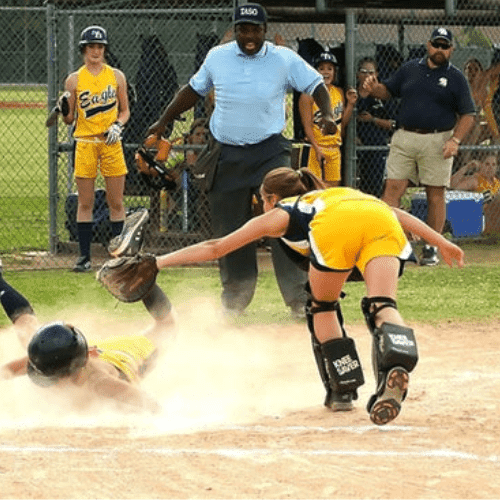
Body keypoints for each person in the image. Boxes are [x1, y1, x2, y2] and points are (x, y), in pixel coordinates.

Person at [131, 167, 463, 425]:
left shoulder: (286, 211)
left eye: (263, 198)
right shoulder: (337, 194)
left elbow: (216, 247)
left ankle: (343, 389)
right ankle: (396, 361)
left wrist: (156, 262)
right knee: (382, 305)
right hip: (379, 221)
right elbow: (396, 213)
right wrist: (441, 242)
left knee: (322, 306)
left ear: (272, 197)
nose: (262, 205)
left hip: (336, 229)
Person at [146, 3, 337, 318]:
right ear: (234, 30)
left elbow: (316, 85)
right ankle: (235, 298)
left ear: (265, 30)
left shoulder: (282, 57)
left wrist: (328, 114)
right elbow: (192, 91)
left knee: (285, 220)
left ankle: (299, 299)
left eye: (255, 30)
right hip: (228, 151)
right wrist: (164, 120)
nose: (248, 36)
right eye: (242, 29)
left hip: (270, 151)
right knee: (231, 226)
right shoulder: (217, 56)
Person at [0, 244, 177, 413]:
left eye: (52, 378)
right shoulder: (48, 357)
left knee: (167, 327)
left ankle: (145, 283)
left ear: (71, 372)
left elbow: (153, 406)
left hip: (126, 355)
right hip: (84, 352)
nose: (46, 381)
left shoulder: (102, 383)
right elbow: (6, 371)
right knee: (27, 331)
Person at [363, 27, 476, 266]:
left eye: (445, 46)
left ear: (452, 49)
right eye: (436, 44)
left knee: (435, 194)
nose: (440, 50)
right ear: (428, 45)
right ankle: (385, 242)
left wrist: (455, 141)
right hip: (405, 136)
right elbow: (388, 91)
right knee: (392, 188)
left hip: (438, 140)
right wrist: (374, 89)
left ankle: (431, 247)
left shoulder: (456, 77)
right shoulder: (410, 69)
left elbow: (468, 114)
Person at [61, 25, 131, 272]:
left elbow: (125, 111)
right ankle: (84, 256)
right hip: (86, 143)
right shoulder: (75, 79)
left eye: (100, 46)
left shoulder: (116, 76)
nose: (96, 51)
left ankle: (118, 255)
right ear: (84, 49)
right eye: (91, 46)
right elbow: (69, 120)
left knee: (116, 201)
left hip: (111, 142)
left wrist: (117, 126)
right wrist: (65, 108)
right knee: (85, 202)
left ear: (105, 49)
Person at [298, 51, 357, 187]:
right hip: (316, 146)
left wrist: (350, 105)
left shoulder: (339, 92)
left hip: (334, 147)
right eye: (321, 68)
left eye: (330, 69)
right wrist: (316, 147)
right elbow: (307, 126)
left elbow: (341, 125)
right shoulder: (308, 94)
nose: (326, 72)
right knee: (315, 188)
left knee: (332, 188)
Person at [355, 57, 395, 197]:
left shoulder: (383, 96)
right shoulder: (353, 95)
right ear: (357, 74)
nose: (367, 75)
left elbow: (393, 124)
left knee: (374, 186)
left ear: (377, 74)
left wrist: (373, 119)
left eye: (371, 72)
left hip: (377, 147)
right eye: (364, 71)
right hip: (356, 148)